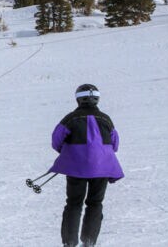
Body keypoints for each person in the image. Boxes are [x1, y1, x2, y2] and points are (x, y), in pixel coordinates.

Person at [51, 84, 123, 247]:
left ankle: (70, 242)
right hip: (103, 167)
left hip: (77, 167)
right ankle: (89, 241)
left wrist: (69, 152)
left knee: (74, 203)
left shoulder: (70, 118)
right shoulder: (106, 119)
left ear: (78, 99)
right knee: (95, 203)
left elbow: (56, 140)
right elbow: (115, 144)